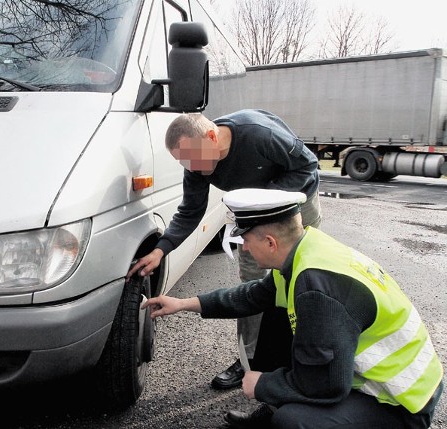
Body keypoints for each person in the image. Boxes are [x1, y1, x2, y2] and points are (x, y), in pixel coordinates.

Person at [142, 188, 444, 429]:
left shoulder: (317, 288)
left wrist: (264, 385)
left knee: (294, 421)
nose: (243, 249)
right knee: (273, 314)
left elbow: (328, 385)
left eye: (245, 241)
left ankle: (281, 412)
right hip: (373, 376)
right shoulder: (304, 251)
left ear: (271, 242)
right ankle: (276, 407)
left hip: (400, 401)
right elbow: (251, 296)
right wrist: (183, 304)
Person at [126, 109, 322, 390]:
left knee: (303, 277)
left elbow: (308, 166)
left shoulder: (260, 135)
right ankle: (249, 361)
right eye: (183, 162)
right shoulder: (196, 162)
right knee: (253, 285)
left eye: (192, 158)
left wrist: (265, 200)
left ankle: (302, 356)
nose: (191, 167)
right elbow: (191, 211)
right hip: (254, 218)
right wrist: (161, 250)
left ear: (211, 135)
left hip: (297, 204)